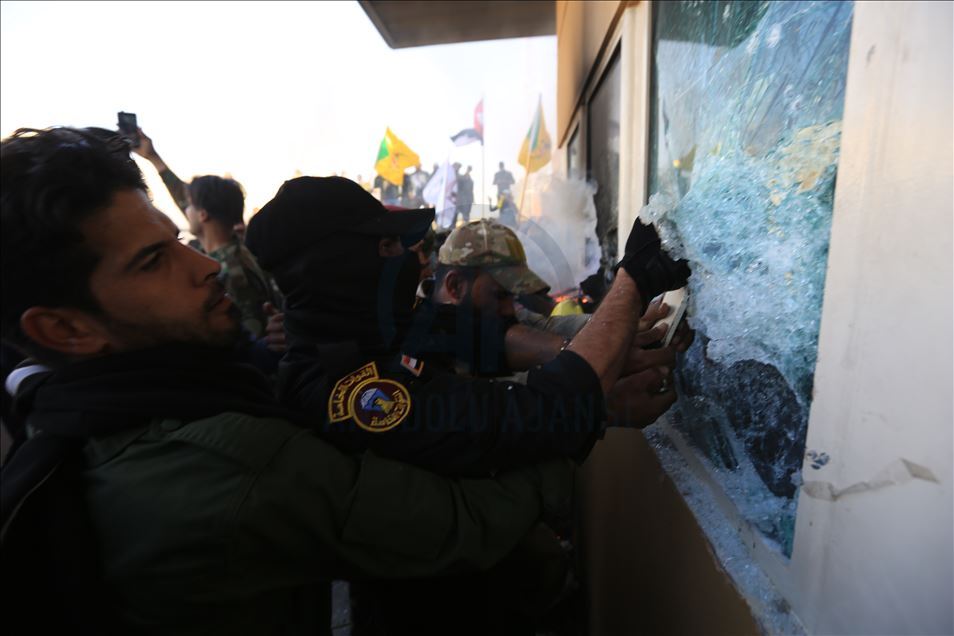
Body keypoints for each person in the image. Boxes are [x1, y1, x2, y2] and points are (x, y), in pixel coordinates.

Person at [0, 127, 578, 634]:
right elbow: (457, 523)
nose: (206, 264)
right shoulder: (226, 459)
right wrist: (580, 410)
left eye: (178, 242)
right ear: (63, 329)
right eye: (153, 261)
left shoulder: (106, 409)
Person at [247, 176, 689, 478]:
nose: (406, 257)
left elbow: (486, 338)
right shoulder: (352, 392)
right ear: (338, 269)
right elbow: (530, 416)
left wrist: (597, 345)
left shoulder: (381, 327)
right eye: (387, 247)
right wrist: (632, 283)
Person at [132, 129, 282, 340]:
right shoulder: (236, 250)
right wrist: (153, 158)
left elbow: (251, 337)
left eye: (189, 205)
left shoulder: (233, 272)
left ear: (202, 215)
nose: (185, 209)